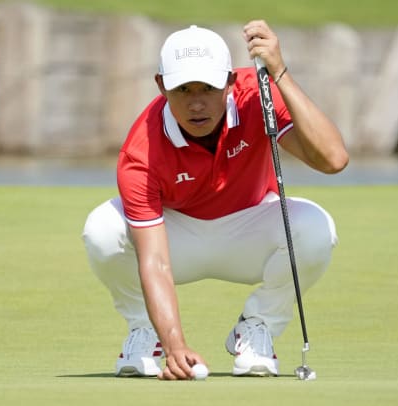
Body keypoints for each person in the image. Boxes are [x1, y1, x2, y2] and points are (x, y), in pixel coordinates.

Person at [82, 20, 348, 380]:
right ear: (161, 86)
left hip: (251, 227)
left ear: (230, 81)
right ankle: (147, 332)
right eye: (183, 89)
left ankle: (258, 328)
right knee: (102, 228)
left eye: (208, 87)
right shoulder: (141, 151)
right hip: (177, 239)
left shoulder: (259, 94)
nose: (196, 104)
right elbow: (156, 261)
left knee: (316, 227)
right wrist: (177, 346)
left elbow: (333, 159)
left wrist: (280, 72)